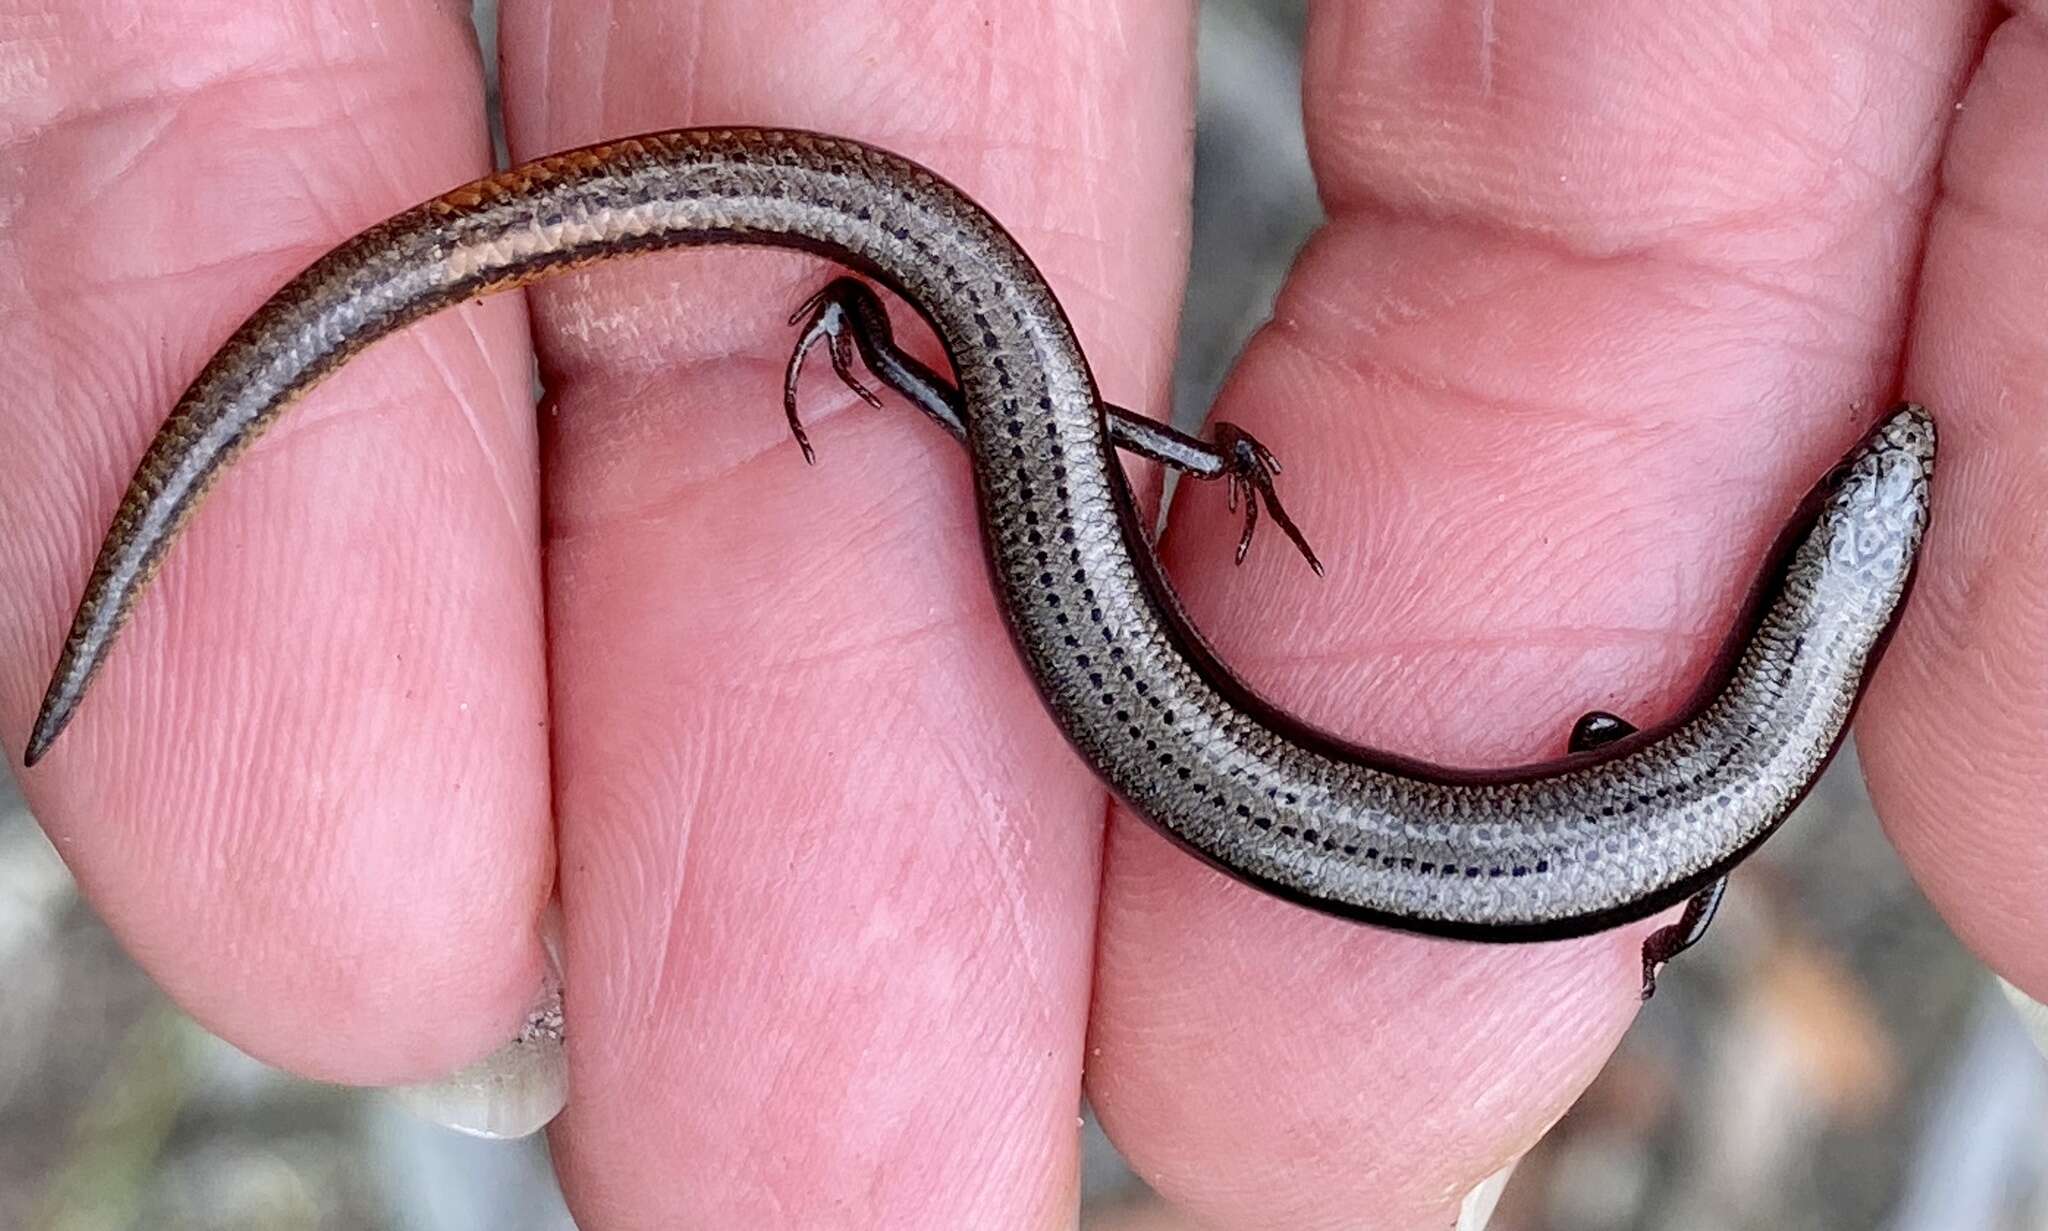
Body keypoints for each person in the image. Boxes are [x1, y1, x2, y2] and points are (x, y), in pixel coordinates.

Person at [2, 3, 2039, 1227]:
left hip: (1130, 674)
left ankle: (900, 362)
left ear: (1808, 595)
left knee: (1032, 431)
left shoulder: (1682, 774)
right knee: (1018, 416)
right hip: (1158, 690)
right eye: (1864, 494)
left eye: (1857, 502)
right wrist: (1652, 903)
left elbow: (1614, 759)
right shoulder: (1706, 807)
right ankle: (895, 358)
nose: (1875, 472)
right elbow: (1628, 806)